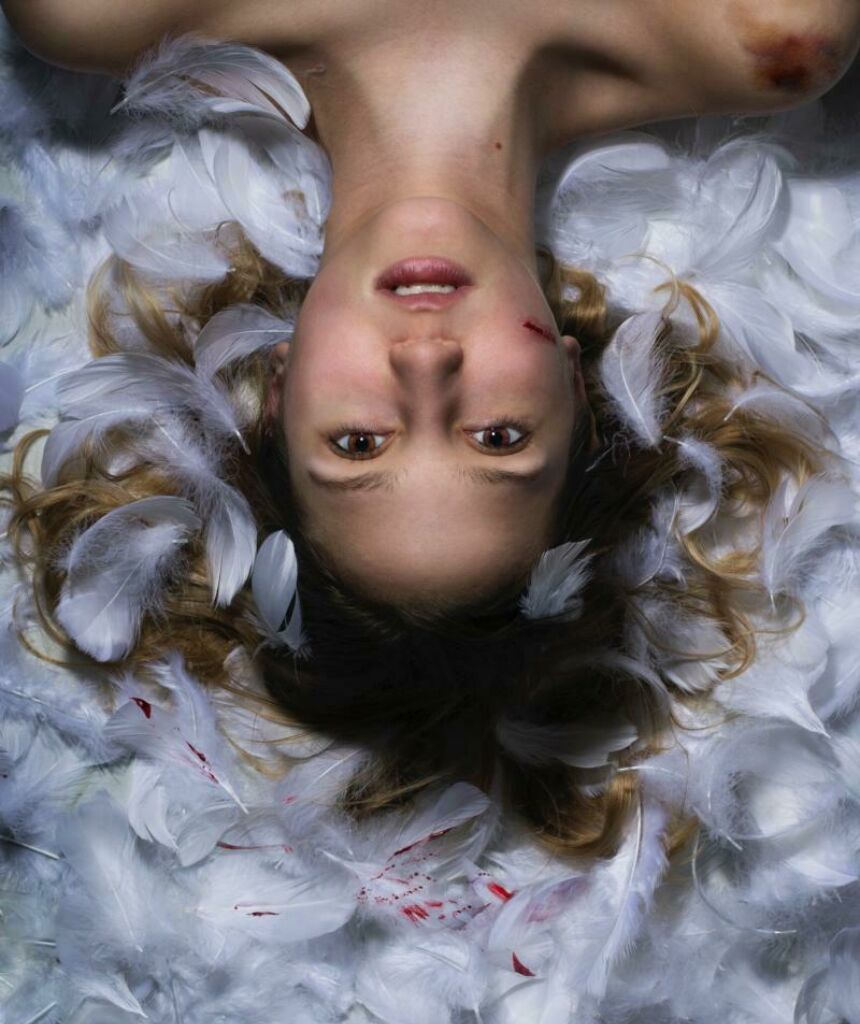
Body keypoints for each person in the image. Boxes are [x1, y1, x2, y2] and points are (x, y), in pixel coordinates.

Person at [1, 0, 856, 854]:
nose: (425, 364)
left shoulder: (95, 10)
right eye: (497, 437)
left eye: (359, 442)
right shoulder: (765, 29)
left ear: (279, 382)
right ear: (577, 387)